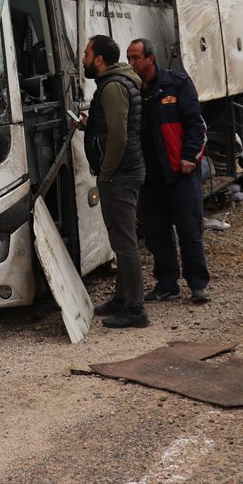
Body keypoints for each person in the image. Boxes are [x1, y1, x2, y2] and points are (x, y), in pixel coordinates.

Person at [126, 38, 211, 303]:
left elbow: (197, 126)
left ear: (150, 59)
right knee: (156, 233)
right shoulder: (132, 89)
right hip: (150, 178)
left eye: (135, 58)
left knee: (189, 231)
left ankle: (198, 285)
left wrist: (189, 158)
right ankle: (166, 284)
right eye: (129, 58)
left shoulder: (177, 84)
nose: (131, 63)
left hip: (180, 174)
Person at [78, 35, 149, 329]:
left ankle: (135, 310)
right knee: (121, 241)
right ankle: (121, 300)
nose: (83, 60)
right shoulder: (114, 84)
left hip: (119, 175)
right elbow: (113, 126)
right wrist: (88, 124)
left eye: (86, 54)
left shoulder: (113, 87)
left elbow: (119, 136)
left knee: (125, 243)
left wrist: (106, 173)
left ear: (99, 60)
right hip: (122, 172)